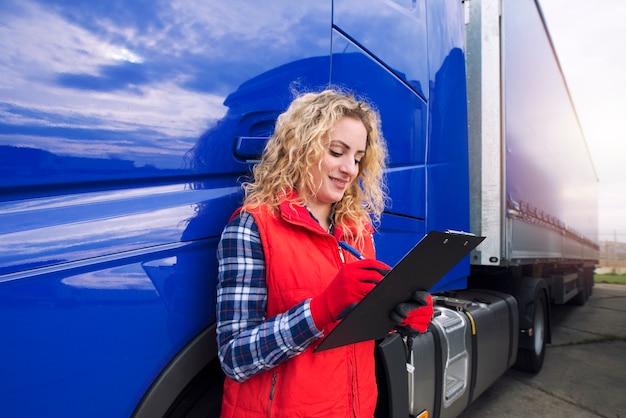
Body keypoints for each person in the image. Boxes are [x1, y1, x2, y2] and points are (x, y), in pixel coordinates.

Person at [216, 89, 434, 417]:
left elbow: (358, 330)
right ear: (301, 147)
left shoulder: (356, 231)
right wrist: (321, 310)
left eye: (358, 158)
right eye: (337, 151)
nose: (349, 168)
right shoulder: (253, 226)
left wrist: (399, 316)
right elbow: (235, 357)